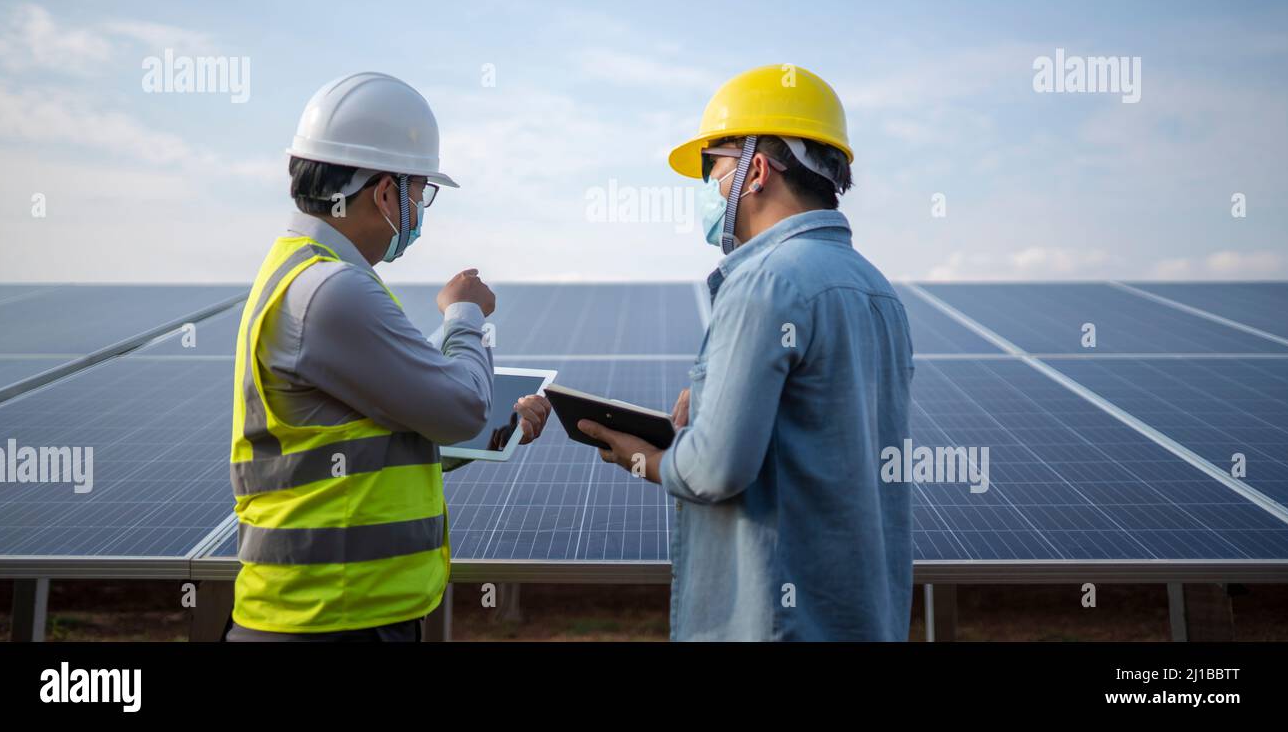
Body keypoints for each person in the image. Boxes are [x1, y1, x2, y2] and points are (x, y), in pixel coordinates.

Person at [578, 63, 915, 640]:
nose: (711, 190)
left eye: (715, 170)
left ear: (756, 170)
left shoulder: (766, 283)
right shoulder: (878, 290)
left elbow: (716, 469)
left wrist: (645, 456)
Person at [224, 71, 549, 641]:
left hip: (326, 614)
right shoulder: (333, 292)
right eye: (420, 192)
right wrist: (464, 314)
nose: (420, 210)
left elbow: (384, 441)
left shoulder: (303, 275)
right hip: (331, 620)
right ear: (383, 193)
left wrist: (507, 424)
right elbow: (460, 408)